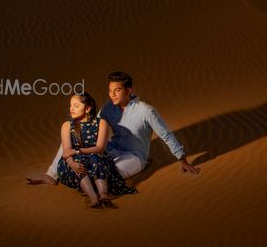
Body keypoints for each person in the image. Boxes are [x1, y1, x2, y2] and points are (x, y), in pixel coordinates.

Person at [26, 71, 200, 186]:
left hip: (134, 157)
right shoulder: (109, 107)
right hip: (111, 149)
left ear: (129, 91)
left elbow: (166, 135)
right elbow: (93, 126)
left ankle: (142, 167)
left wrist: (183, 160)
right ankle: (51, 174)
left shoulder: (146, 111)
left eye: (117, 91)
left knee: (103, 179)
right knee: (70, 134)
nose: (112, 94)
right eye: (110, 90)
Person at [55, 92, 137, 209]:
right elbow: (67, 151)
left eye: (76, 106)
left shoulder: (101, 123)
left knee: (96, 158)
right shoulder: (67, 125)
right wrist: (72, 164)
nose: (71, 109)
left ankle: (103, 194)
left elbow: (100, 148)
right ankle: (93, 197)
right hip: (71, 161)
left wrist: (78, 151)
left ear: (87, 108)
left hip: (95, 157)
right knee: (79, 164)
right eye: (71, 105)